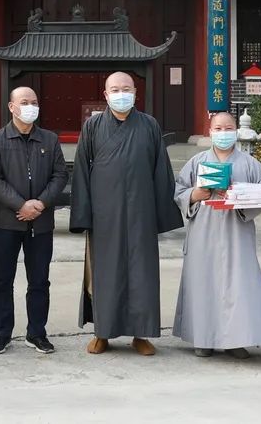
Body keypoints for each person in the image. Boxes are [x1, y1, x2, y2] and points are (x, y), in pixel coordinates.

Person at [69, 71, 182, 356]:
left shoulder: (149, 125)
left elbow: (161, 171)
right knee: (105, 273)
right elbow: (81, 171)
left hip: (141, 211)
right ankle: (103, 332)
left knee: (141, 273)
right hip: (104, 214)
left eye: (126, 88)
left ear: (135, 92)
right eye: (115, 89)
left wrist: (160, 214)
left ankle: (140, 334)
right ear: (106, 95)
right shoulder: (93, 127)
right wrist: (83, 214)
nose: (121, 94)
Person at [172, 112, 261, 358]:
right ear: (210, 131)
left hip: (236, 231)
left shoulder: (250, 164)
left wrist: (241, 200)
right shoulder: (197, 161)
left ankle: (236, 340)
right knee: (203, 284)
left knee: (238, 286)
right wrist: (194, 195)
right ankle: (203, 338)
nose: (223, 133)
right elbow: (179, 190)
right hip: (204, 231)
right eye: (218, 128)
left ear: (236, 131)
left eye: (228, 128)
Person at [0, 87, 68, 355]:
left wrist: (40, 203)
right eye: (24, 102)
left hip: (40, 223)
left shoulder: (50, 139)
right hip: (7, 222)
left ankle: (37, 333)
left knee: (40, 281)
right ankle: (1, 334)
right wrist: (21, 205)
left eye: (33, 102)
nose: (29, 106)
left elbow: (60, 175)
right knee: (2, 280)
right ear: (11, 107)